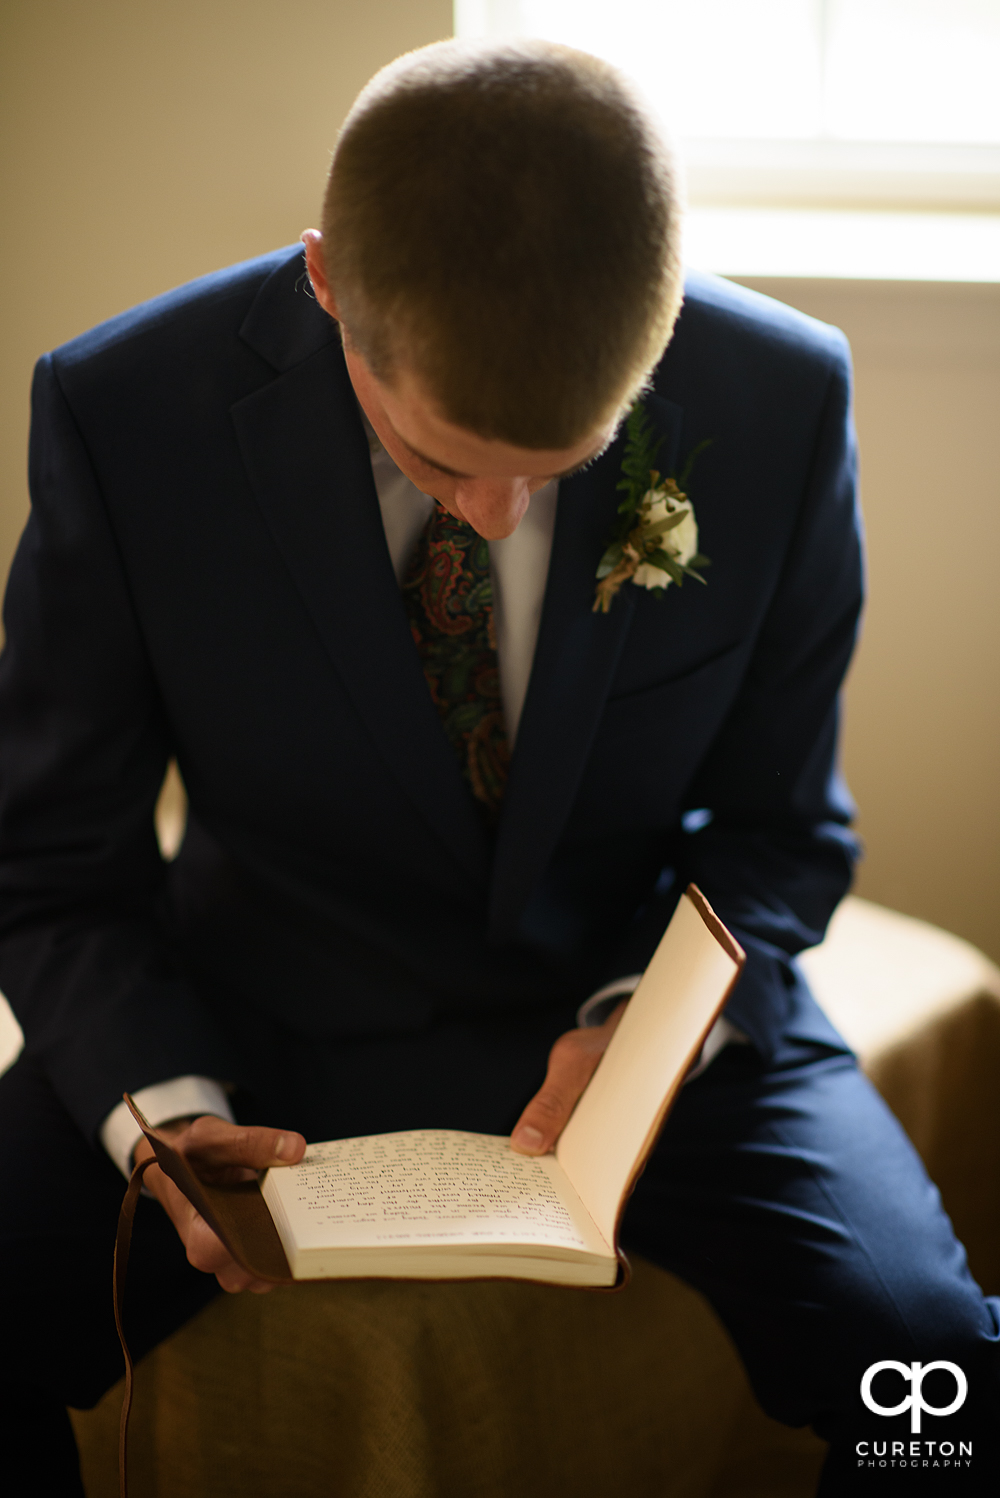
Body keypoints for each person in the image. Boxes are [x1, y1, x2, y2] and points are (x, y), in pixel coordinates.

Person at [0, 38, 996, 1495]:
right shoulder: (125, 413)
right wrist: (155, 1104)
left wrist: (646, 1036)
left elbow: (789, 830)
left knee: (934, 1367)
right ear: (328, 281)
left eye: (563, 463)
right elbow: (54, 856)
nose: (497, 512)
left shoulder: (782, 400)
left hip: (632, 1009)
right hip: (252, 1001)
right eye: (442, 457)